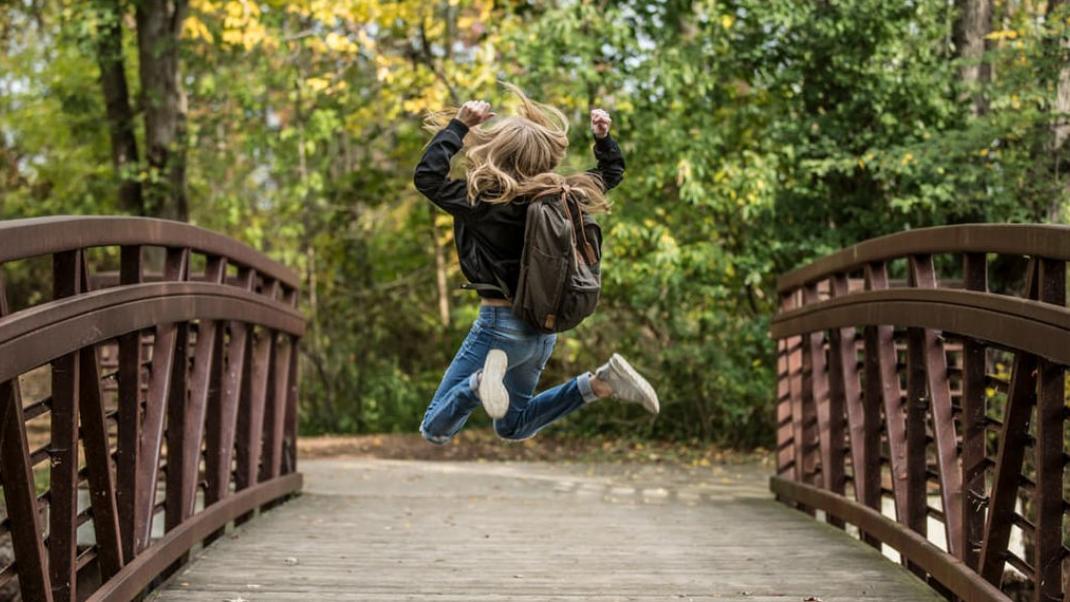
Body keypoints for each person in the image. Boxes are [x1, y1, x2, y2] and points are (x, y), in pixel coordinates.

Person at [414, 84, 659, 445]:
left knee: (434, 428)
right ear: (543, 157)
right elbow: (611, 174)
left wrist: (459, 125)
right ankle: (600, 383)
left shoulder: (482, 201)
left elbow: (427, 178)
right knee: (513, 425)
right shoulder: (564, 196)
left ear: (497, 151)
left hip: (498, 328)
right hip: (542, 331)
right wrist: (603, 140)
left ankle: (480, 383)